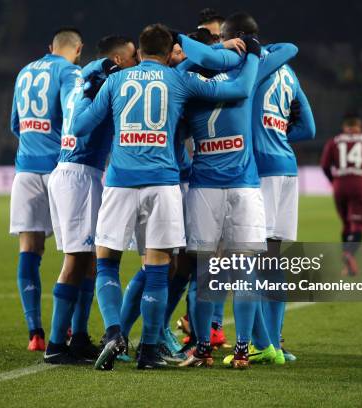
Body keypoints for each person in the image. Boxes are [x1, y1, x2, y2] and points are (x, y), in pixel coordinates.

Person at [70, 23, 259, 370]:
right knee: (159, 271)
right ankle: (149, 351)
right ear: (168, 51)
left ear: (139, 52)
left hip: (121, 181)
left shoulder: (115, 81)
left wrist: (87, 89)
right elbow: (233, 89)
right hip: (163, 183)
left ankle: (114, 332)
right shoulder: (179, 80)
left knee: (107, 263)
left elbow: (79, 128)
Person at [174, 13, 298, 369]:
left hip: (204, 189)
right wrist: (253, 51)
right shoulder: (249, 71)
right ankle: (243, 349)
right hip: (244, 187)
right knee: (245, 270)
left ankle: (202, 348)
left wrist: (207, 52)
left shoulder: (191, 83)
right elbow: (289, 49)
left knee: (207, 274)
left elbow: (178, 71)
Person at [44, 36, 137, 365]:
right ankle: (56, 344)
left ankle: (79, 337)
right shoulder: (101, 77)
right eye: (131, 57)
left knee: (89, 262)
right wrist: (109, 68)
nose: (135, 63)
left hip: (79, 173)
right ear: (116, 58)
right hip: (79, 174)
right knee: (75, 261)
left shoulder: (85, 78)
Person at [242, 10, 316, 365]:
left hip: (258, 170)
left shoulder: (251, 68)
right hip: (287, 168)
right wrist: (279, 136)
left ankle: (263, 344)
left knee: (249, 260)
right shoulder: (289, 72)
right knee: (274, 260)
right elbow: (309, 129)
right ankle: (278, 343)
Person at [9, 27, 83, 352]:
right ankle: (67, 332)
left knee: (29, 250)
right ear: (77, 49)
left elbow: (15, 123)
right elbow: (73, 115)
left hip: (25, 169)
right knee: (78, 253)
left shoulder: (25, 71)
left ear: (49, 46)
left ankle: (35, 334)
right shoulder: (70, 72)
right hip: (59, 170)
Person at [320, 113, 362, 276]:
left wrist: (333, 181)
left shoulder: (333, 141)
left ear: (344, 128)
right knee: (358, 225)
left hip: (339, 185)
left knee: (346, 225)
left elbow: (324, 165)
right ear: (359, 127)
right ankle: (349, 254)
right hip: (358, 183)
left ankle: (347, 265)